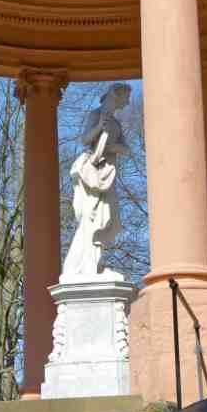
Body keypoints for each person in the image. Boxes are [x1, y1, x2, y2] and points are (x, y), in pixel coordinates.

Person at [61, 84, 131, 280]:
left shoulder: (115, 123)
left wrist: (111, 147)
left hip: (107, 174)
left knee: (107, 218)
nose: (127, 103)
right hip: (91, 173)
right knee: (90, 218)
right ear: (116, 96)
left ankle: (95, 263)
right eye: (126, 97)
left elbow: (125, 149)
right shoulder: (96, 115)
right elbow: (85, 140)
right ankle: (82, 266)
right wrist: (100, 126)